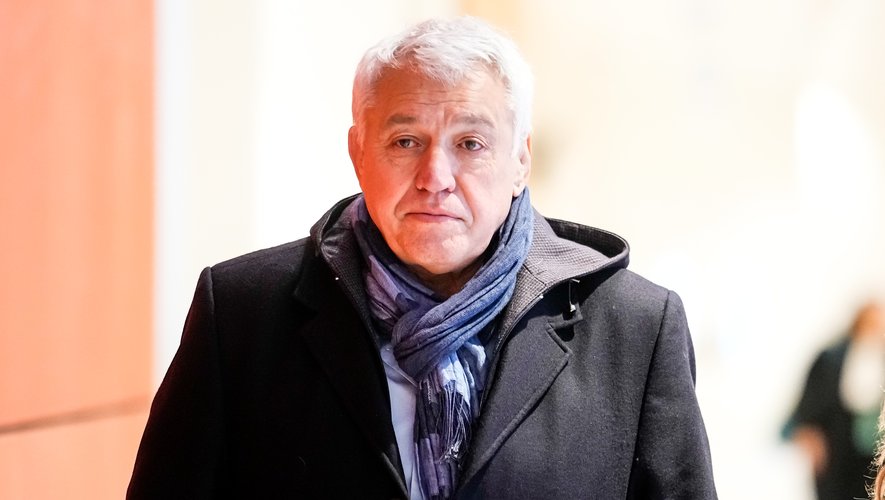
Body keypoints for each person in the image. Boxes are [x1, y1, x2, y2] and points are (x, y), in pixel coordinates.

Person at [127, 16, 717, 499]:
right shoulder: (241, 317)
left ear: (520, 161)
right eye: (405, 141)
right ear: (359, 152)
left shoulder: (635, 329)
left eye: (471, 143)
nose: (436, 177)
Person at [784, 301, 885, 499]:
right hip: (837, 455)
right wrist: (809, 436)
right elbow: (806, 409)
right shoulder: (829, 361)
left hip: (873, 455)